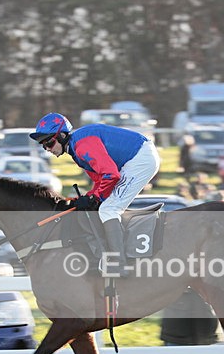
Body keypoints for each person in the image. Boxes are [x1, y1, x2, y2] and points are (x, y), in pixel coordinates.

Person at [29, 112, 161, 277]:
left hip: (139, 159)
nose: (47, 149)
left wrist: (95, 198)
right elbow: (100, 181)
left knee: (108, 209)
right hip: (136, 158)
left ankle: (118, 263)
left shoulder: (82, 145)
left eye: (49, 143)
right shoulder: (76, 149)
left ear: (62, 136)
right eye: (43, 146)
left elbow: (111, 175)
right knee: (101, 206)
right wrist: (87, 198)